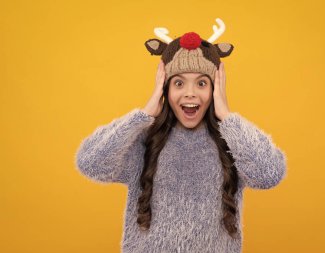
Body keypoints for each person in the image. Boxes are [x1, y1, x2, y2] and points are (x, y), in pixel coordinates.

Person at [75, 18, 287, 253]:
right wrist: (143, 114)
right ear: (165, 89)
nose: (189, 94)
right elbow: (90, 163)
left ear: (215, 89)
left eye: (201, 83)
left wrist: (227, 116)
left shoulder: (233, 142)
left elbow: (270, 174)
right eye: (178, 83)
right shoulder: (144, 141)